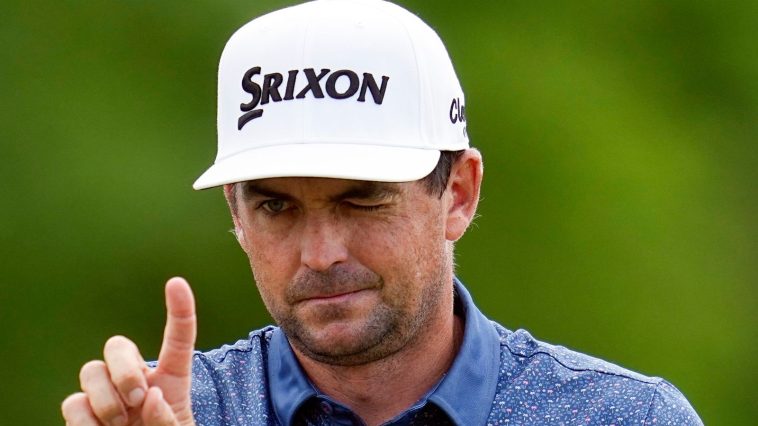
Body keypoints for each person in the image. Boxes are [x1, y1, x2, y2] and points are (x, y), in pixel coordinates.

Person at [61, 1, 703, 425]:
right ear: (235, 212)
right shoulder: (168, 414)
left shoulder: (621, 416)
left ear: (458, 192)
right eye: (276, 206)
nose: (320, 254)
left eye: (362, 199)